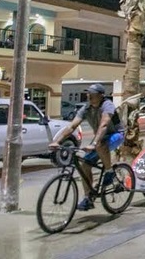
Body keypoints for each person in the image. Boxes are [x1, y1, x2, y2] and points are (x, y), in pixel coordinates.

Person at [49, 83, 124, 211]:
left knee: (99, 145)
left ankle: (109, 172)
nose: (88, 96)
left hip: (116, 135)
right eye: (88, 93)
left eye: (92, 94)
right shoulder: (86, 108)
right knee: (85, 165)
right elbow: (72, 126)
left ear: (100, 95)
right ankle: (88, 198)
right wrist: (57, 141)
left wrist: (93, 144)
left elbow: (104, 125)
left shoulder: (107, 105)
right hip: (100, 137)